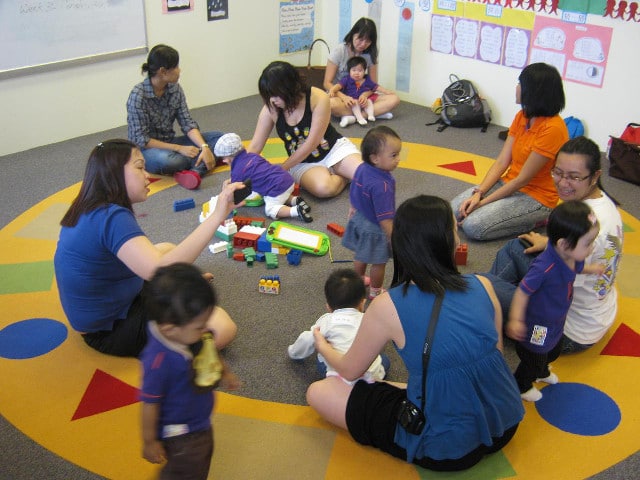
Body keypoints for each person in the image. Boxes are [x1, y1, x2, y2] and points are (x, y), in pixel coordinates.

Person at [307, 195, 524, 472]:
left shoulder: (387, 305)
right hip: (505, 423)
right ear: (449, 241)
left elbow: (349, 370)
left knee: (319, 392)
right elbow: (494, 355)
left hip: (447, 448)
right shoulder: (483, 284)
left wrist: (322, 344)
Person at [54, 139, 241, 357]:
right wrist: (218, 214)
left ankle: (174, 294)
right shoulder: (111, 217)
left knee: (167, 247)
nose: (147, 175)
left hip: (115, 297)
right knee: (223, 328)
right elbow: (158, 270)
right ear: (114, 172)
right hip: (111, 328)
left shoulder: (94, 205)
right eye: (140, 167)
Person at [487, 136, 624, 354]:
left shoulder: (588, 225)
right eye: (557, 172)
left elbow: (548, 284)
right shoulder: (602, 205)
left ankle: (485, 306)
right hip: (594, 314)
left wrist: (516, 311)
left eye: (573, 177)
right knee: (517, 246)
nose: (562, 182)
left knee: (480, 283)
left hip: (563, 330)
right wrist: (549, 243)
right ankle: (489, 305)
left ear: (595, 176)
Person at [140, 263, 240, 480]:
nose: (206, 329)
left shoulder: (189, 333)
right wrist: (149, 442)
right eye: (199, 325)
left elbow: (209, 347)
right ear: (169, 329)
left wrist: (225, 373)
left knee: (202, 458)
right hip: (181, 432)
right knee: (188, 470)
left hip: (199, 419)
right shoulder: (158, 361)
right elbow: (150, 404)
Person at [450, 62, 569, 241]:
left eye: (520, 84)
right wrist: (478, 193)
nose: (517, 88)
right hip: (509, 183)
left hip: (536, 197)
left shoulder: (553, 129)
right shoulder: (522, 116)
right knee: (454, 208)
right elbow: (502, 162)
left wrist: (481, 204)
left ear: (533, 91)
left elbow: (522, 180)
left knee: (473, 226)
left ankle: (536, 221)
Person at [506, 201, 603, 402]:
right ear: (563, 245)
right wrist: (516, 320)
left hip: (557, 320)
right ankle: (522, 385)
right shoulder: (544, 267)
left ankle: (541, 371)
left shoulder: (573, 256)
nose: (592, 247)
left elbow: (577, 269)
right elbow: (523, 292)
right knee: (534, 355)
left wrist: (591, 269)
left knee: (554, 350)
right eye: (588, 243)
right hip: (538, 325)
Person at [248, 61, 363, 198]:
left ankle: (344, 171)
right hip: (301, 162)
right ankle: (344, 176)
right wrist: (238, 174)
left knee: (365, 175)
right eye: (269, 96)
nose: (273, 100)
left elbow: (311, 143)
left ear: (291, 88)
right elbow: (255, 145)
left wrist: (282, 168)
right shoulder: (271, 107)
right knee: (324, 189)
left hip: (333, 149)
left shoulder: (318, 97)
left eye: (277, 95)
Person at [126, 44, 223, 190]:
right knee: (172, 161)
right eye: (176, 67)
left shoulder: (175, 89)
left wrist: (204, 147)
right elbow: (141, 140)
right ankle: (202, 163)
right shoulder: (138, 96)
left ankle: (196, 169)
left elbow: (187, 123)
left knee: (220, 138)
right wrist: (179, 148)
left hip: (170, 142)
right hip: (147, 151)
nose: (179, 70)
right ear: (163, 72)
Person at [288, 268, 388, 384]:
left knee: (320, 360)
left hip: (339, 377)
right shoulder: (370, 319)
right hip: (371, 376)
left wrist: (293, 352)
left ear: (328, 307)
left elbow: (307, 339)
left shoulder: (326, 321)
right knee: (384, 360)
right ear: (363, 303)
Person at [342, 126, 401, 299]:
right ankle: (376, 291)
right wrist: (392, 237)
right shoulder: (383, 185)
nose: (398, 160)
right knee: (379, 261)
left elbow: (354, 188)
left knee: (361, 253)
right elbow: (385, 218)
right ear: (375, 158)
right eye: (393, 155)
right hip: (375, 228)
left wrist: (354, 206)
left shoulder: (361, 168)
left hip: (359, 216)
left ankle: (358, 280)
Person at [214, 132, 312, 223]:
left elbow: (235, 194)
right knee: (277, 195)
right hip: (286, 178)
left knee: (270, 209)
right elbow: (255, 171)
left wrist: (226, 191)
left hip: (276, 186)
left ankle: (295, 210)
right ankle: (294, 200)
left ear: (226, 159)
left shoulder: (237, 172)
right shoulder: (253, 155)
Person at [323, 17, 399, 120]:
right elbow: (327, 83)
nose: (363, 44)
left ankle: (356, 117)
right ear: (353, 34)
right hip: (341, 95)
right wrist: (344, 97)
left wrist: (364, 95)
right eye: (360, 39)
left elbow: (373, 85)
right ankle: (372, 113)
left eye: (367, 41)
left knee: (394, 99)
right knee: (331, 104)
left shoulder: (370, 54)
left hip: (362, 97)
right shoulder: (340, 50)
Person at [329, 56, 394, 127]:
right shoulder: (346, 79)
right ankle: (361, 118)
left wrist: (386, 91)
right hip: (353, 101)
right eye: (354, 70)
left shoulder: (367, 79)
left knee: (369, 102)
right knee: (354, 103)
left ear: (364, 71)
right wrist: (332, 90)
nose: (357, 73)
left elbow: (376, 87)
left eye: (360, 71)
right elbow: (338, 86)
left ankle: (369, 115)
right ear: (349, 71)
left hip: (364, 101)